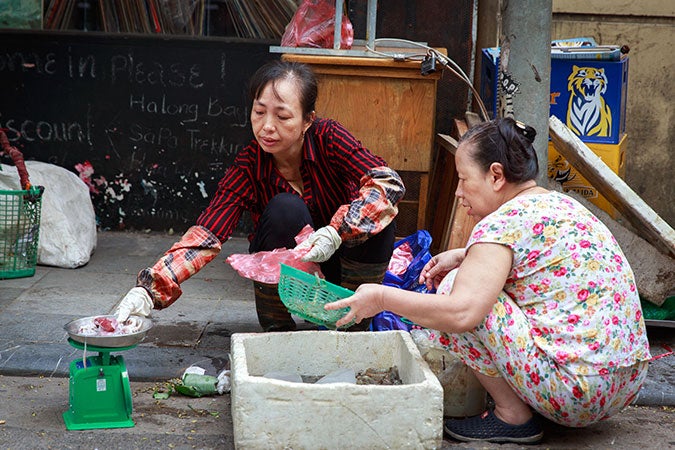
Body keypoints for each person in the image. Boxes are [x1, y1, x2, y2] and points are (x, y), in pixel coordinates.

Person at [326, 117, 651, 444]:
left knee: (456, 287)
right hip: (626, 382)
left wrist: (380, 298)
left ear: (496, 175)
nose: (459, 192)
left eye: (464, 179)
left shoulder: (499, 224)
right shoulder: (560, 204)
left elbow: (462, 313)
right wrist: (465, 254)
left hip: (577, 393)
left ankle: (512, 417)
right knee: (468, 279)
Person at [112, 59, 405, 332]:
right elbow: (207, 234)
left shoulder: (329, 137)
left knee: (381, 218)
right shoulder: (249, 165)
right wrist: (149, 290)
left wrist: (335, 232)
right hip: (289, 278)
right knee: (284, 210)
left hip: (344, 265)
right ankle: (277, 326)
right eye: (259, 111)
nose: (266, 126)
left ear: (307, 120)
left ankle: (352, 322)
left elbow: (388, 184)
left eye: (282, 116)